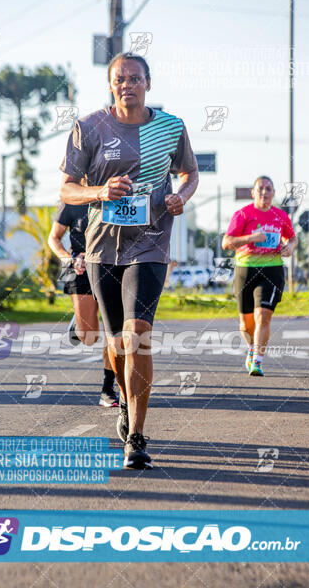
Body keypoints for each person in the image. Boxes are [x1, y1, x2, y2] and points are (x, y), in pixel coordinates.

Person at [60, 52, 199, 469]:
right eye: (120, 79)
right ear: (111, 85)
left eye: (135, 78)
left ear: (148, 84)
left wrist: (180, 197)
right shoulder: (88, 128)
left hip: (151, 243)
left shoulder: (171, 127)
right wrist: (100, 191)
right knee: (117, 342)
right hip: (103, 247)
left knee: (138, 331)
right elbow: (67, 190)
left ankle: (137, 436)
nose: (127, 85)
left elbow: (190, 173)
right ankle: (123, 400)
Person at [222, 176, 297, 376]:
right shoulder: (243, 214)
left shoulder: (280, 216)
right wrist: (251, 238)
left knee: (263, 316)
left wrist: (290, 246)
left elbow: (292, 237)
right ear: (253, 192)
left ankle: (257, 361)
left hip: (272, 270)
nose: (264, 192)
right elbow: (226, 242)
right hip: (245, 270)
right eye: (260, 189)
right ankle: (252, 348)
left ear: (273, 193)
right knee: (245, 324)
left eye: (268, 189)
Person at [48, 202, 118, 407]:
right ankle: (80, 322)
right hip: (78, 269)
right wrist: (69, 259)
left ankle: (108, 389)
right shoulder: (71, 202)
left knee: (113, 332)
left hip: (110, 267)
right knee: (89, 337)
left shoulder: (115, 196)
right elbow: (53, 238)